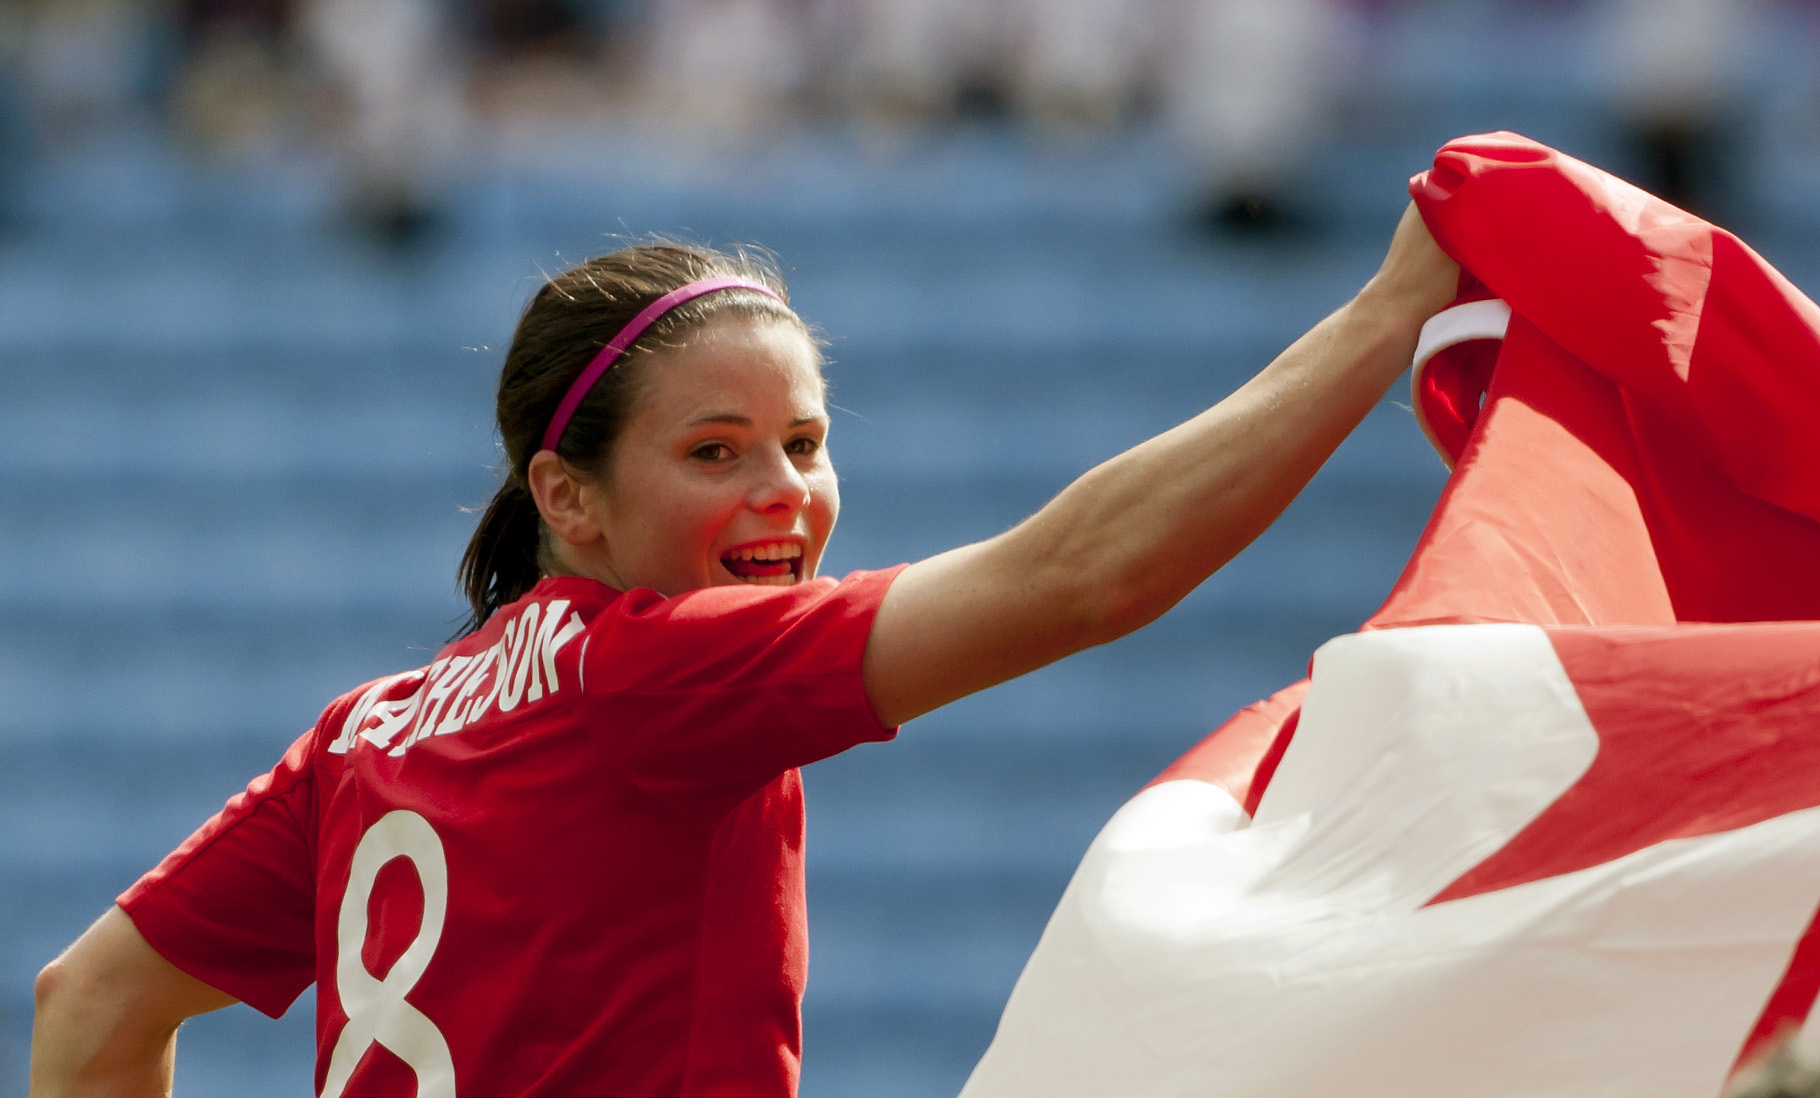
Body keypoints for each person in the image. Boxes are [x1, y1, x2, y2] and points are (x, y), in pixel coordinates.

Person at [28, 203, 1460, 1096]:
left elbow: (88, 1008)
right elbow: (1082, 575)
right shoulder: (658, 670)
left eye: (806, 440)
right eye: (717, 451)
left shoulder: (371, 730)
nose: (784, 490)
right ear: (566, 495)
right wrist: (1387, 315)